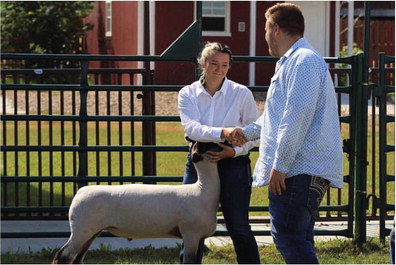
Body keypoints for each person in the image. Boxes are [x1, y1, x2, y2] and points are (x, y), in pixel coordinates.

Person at [223, 3, 343, 264]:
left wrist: (280, 165)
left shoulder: (303, 62)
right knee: (298, 239)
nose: (264, 34)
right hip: (300, 170)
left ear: (276, 29)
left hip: (297, 171)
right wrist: (246, 133)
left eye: (266, 28)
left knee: (289, 238)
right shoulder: (293, 62)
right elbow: (276, 116)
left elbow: (297, 117)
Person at [178, 41, 261, 264]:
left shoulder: (241, 93)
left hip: (233, 162)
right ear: (203, 63)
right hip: (199, 161)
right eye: (214, 63)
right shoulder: (188, 93)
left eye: (225, 65)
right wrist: (224, 132)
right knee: (192, 222)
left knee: (238, 224)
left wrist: (233, 152)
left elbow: (255, 132)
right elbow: (191, 128)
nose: (219, 69)